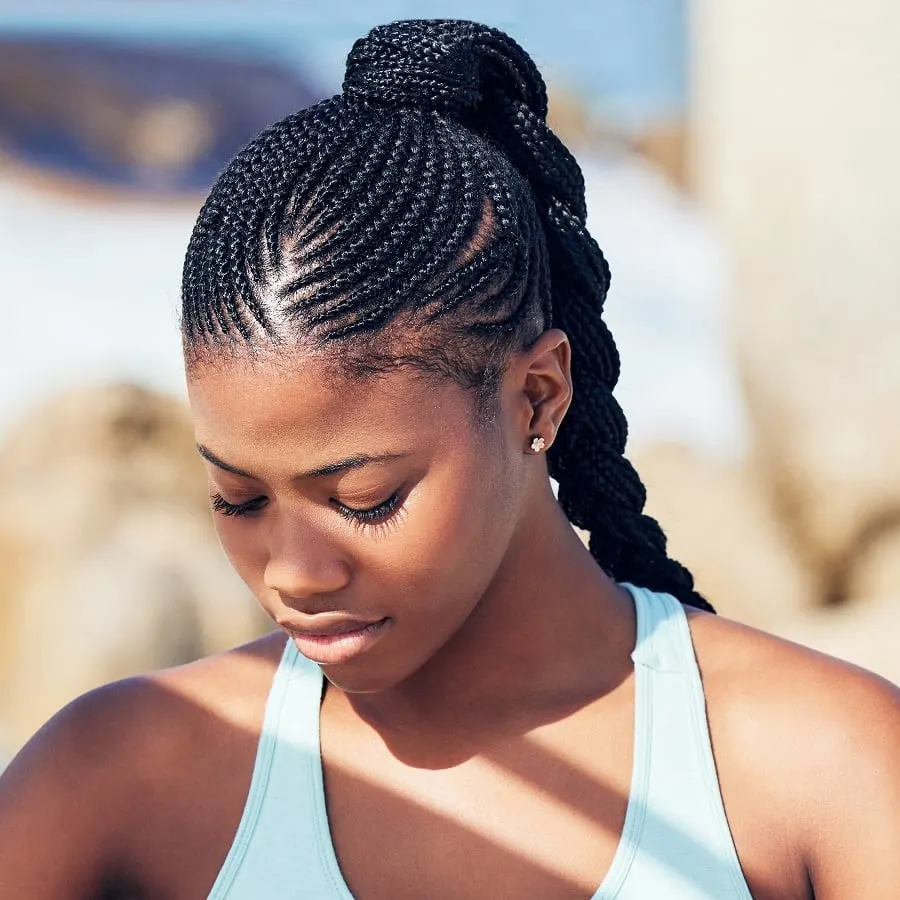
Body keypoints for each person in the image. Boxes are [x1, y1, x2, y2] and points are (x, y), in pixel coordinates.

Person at [0, 19, 897, 900]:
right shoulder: (123, 780)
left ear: (538, 397)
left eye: (364, 496)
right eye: (239, 499)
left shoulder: (819, 770)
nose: (293, 576)